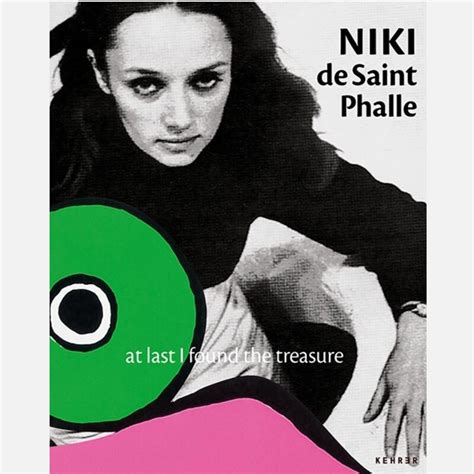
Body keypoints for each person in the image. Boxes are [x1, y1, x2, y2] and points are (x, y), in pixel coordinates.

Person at [50, 1, 426, 461]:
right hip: (80, 437)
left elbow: (406, 224)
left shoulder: (248, 148)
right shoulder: (46, 158)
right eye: (146, 85)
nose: (180, 118)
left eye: (206, 80)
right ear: (101, 73)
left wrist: (421, 324)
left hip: (235, 397)